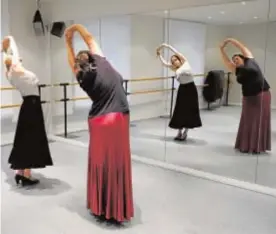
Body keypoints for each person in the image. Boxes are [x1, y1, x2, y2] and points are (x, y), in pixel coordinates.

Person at [64, 24, 134, 223]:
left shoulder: (81, 76)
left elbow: (72, 62)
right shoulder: (103, 62)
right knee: (117, 162)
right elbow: (90, 38)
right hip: (119, 117)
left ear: (79, 65)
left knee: (100, 162)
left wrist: (67, 42)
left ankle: (100, 206)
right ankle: (116, 208)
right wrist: (75, 28)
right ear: (92, 57)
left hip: (100, 120)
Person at [1, 36, 53, 186]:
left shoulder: (11, 75)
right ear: (14, 63)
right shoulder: (17, 71)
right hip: (33, 107)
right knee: (31, 139)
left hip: (28, 106)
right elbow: (15, 54)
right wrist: (10, 39)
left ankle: (20, 172)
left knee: (25, 139)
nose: (21, 61)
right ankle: (26, 174)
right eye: (18, 60)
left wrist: (5, 50)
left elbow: (11, 57)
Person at [220, 38, 271, 154]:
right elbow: (226, 61)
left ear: (243, 58)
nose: (235, 61)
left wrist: (229, 40)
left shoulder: (250, 61)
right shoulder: (237, 70)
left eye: (237, 58)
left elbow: (242, 47)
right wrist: (221, 49)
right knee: (247, 120)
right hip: (248, 97)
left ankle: (257, 147)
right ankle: (245, 145)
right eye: (234, 60)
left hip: (261, 94)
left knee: (258, 120)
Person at [156, 43, 202, 141]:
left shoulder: (185, 63)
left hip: (191, 89)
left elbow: (177, 52)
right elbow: (164, 64)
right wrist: (159, 55)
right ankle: (179, 131)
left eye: (175, 60)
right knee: (180, 110)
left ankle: (186, 131)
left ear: (179, 59)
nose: (174, 62)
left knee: (190, 111)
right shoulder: (175, 68)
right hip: (182, 89)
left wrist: (166, 46)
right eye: (172, 61)